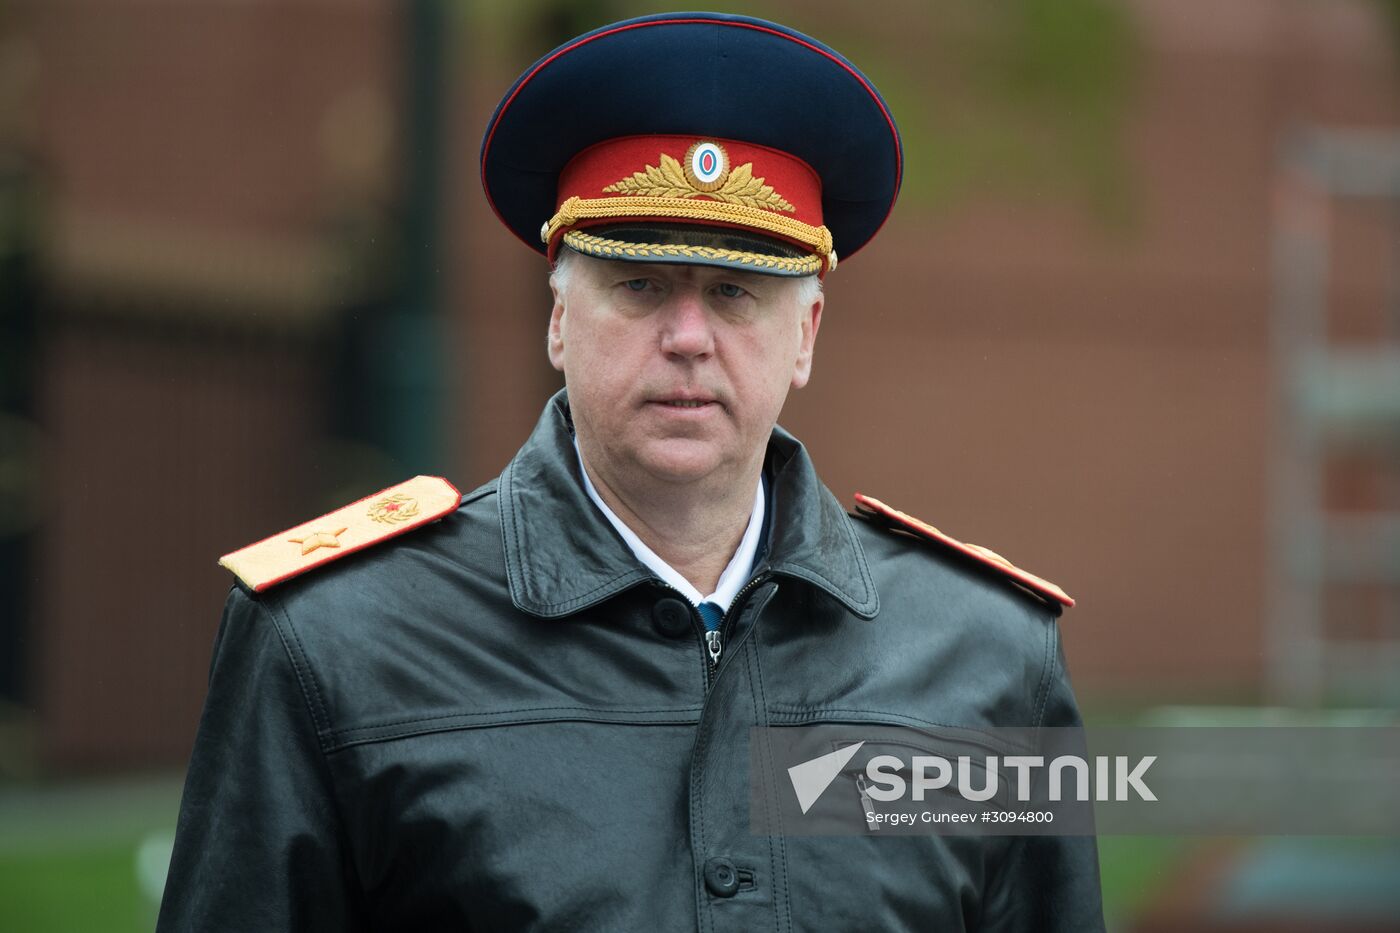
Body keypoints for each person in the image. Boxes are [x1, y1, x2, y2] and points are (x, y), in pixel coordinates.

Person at [158, 12, 1104, 931]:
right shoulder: (334, 642)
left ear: (806, 335)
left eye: (735, 292)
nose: (688, 337)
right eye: (640, 285)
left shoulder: (989, 658)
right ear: (559, 320)